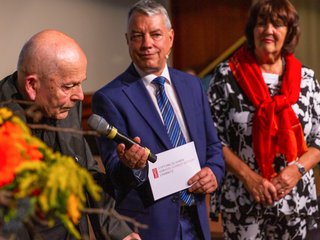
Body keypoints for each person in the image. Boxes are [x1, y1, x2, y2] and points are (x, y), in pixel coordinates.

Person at [92, 0, 225, 239]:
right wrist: (131, 166)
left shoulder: (192, 85)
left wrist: (213, 172)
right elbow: (113, 174)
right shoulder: (109, 98)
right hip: (149, 227)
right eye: (137, 36)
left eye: (155, 34)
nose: (147, 44)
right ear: (127, 40)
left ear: (171, 38)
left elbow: (214, 146)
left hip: (196, 221)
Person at [0, 29, 140, 240]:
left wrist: (119, 232)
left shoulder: (65, 104)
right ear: (31, 85)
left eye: (81, 82)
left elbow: (86, 175)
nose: (80, 95)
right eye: (69, 86)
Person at [207, 0, 320, 239]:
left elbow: (319, 140)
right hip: (242, 198)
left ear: (289, 31)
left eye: (278, 24)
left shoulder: (307, 80)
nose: (269, 30)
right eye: (261, 23)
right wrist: (250, 178)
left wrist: (296, 170)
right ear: (252, 29)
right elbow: (212, 138)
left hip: (294, 201)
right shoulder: (226, 76)